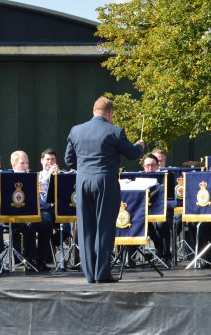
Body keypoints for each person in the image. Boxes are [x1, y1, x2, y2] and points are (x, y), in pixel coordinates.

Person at [64, 97, 145, 284]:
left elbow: (69, 160)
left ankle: (90, 274)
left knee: (85, 227)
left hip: (83, 180)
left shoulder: (76, 131)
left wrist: (86, 168)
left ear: (94, 111)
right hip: (105, 181)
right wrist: (140, 146)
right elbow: (132, 154)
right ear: (110, 113)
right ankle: (102, 273)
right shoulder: (115, 131)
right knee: (104, 227)